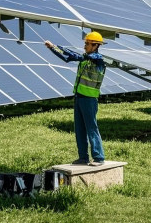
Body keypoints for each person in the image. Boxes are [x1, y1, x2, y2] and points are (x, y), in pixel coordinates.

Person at [44, 31, 107, 166]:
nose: (85, 46)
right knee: (79, 129)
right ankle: (83, 157)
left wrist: (84, 56)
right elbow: (69, 56)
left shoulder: (98, 60)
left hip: (89, 99)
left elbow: (90, 57)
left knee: (91, 128)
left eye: (87, 44)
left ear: (95, 45)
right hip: (79, 97)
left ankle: (99, 157)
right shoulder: (85, 59)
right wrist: (53, 47)